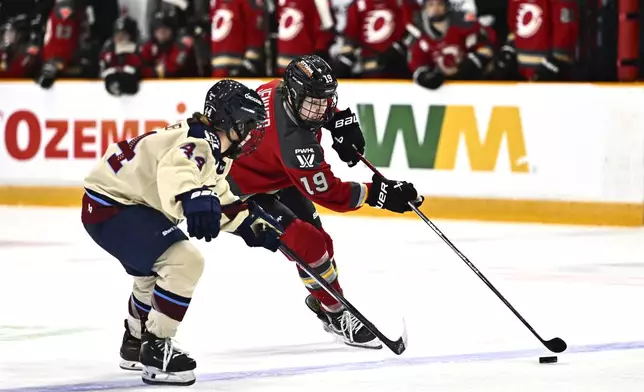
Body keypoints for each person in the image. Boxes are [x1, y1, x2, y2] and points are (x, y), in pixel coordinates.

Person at [81, 79, 280, 386]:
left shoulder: (206, 144)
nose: (253, 133)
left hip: (112, 206)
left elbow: (214, 192)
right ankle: (156, 349)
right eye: (249, 124)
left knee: (151, 275)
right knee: (183, 261)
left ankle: (135, 342)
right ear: (229, 119)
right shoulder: (201, 142)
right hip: (114, 208)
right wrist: (192, 196)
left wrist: (247, 224)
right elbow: (178, 171)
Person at [226, 54, 424, 349]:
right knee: (309, 244)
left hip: (275, 176)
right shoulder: (294, 142)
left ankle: (324, 301)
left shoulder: (281, 90)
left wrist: (340, 120)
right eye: (313, 103)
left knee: (320, 244)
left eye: (324, 101)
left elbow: (320, 107)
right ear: (293, 95)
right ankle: (335, 312)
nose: (319, 110)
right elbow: (329, 193)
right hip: (237, 192)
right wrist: (379, 193)